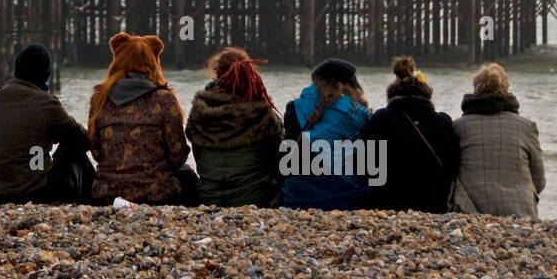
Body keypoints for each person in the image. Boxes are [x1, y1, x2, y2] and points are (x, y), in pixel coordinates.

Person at [0, 43, 94, 203]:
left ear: (16, 68)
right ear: (46, 74)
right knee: (73, 148)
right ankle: (96, 201)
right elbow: (83, 140)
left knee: (34, 154)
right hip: (30, 193)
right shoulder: (46, 103)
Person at [87, 33, 196, 205]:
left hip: (107, 194)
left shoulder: (99, 98)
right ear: (154, 61)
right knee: (188, 175)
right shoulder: (164, 99)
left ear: (117, 61)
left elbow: (96, 152)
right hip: (156, 195)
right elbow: (178, 156)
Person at [185, 48, 284, 207]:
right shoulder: (264, 115)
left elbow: (199, 159)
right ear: (250, 74)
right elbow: (279, 163)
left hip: (208, 199)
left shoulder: (199, 114)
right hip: (254, 201)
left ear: (217, 74)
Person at [359, 56, 459, 213]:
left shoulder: (380, 120)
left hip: (387, 205)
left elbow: (366, 169)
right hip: (433, 206)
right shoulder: (443, 122)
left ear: (391, 95)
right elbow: (453, 168)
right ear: (427, 95)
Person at [450, 63, 546, 217]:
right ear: (506, 89)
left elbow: (451, 173)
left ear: (476, 89)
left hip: (471, 212)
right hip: (521, 213)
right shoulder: (526, 126)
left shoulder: (458, 126)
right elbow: (539, 180)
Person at [282, 58, 372, 210]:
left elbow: (289, 159)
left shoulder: (293, 107)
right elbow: (368, 161)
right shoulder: (358, 113)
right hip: (343, 197)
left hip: (296, 197)